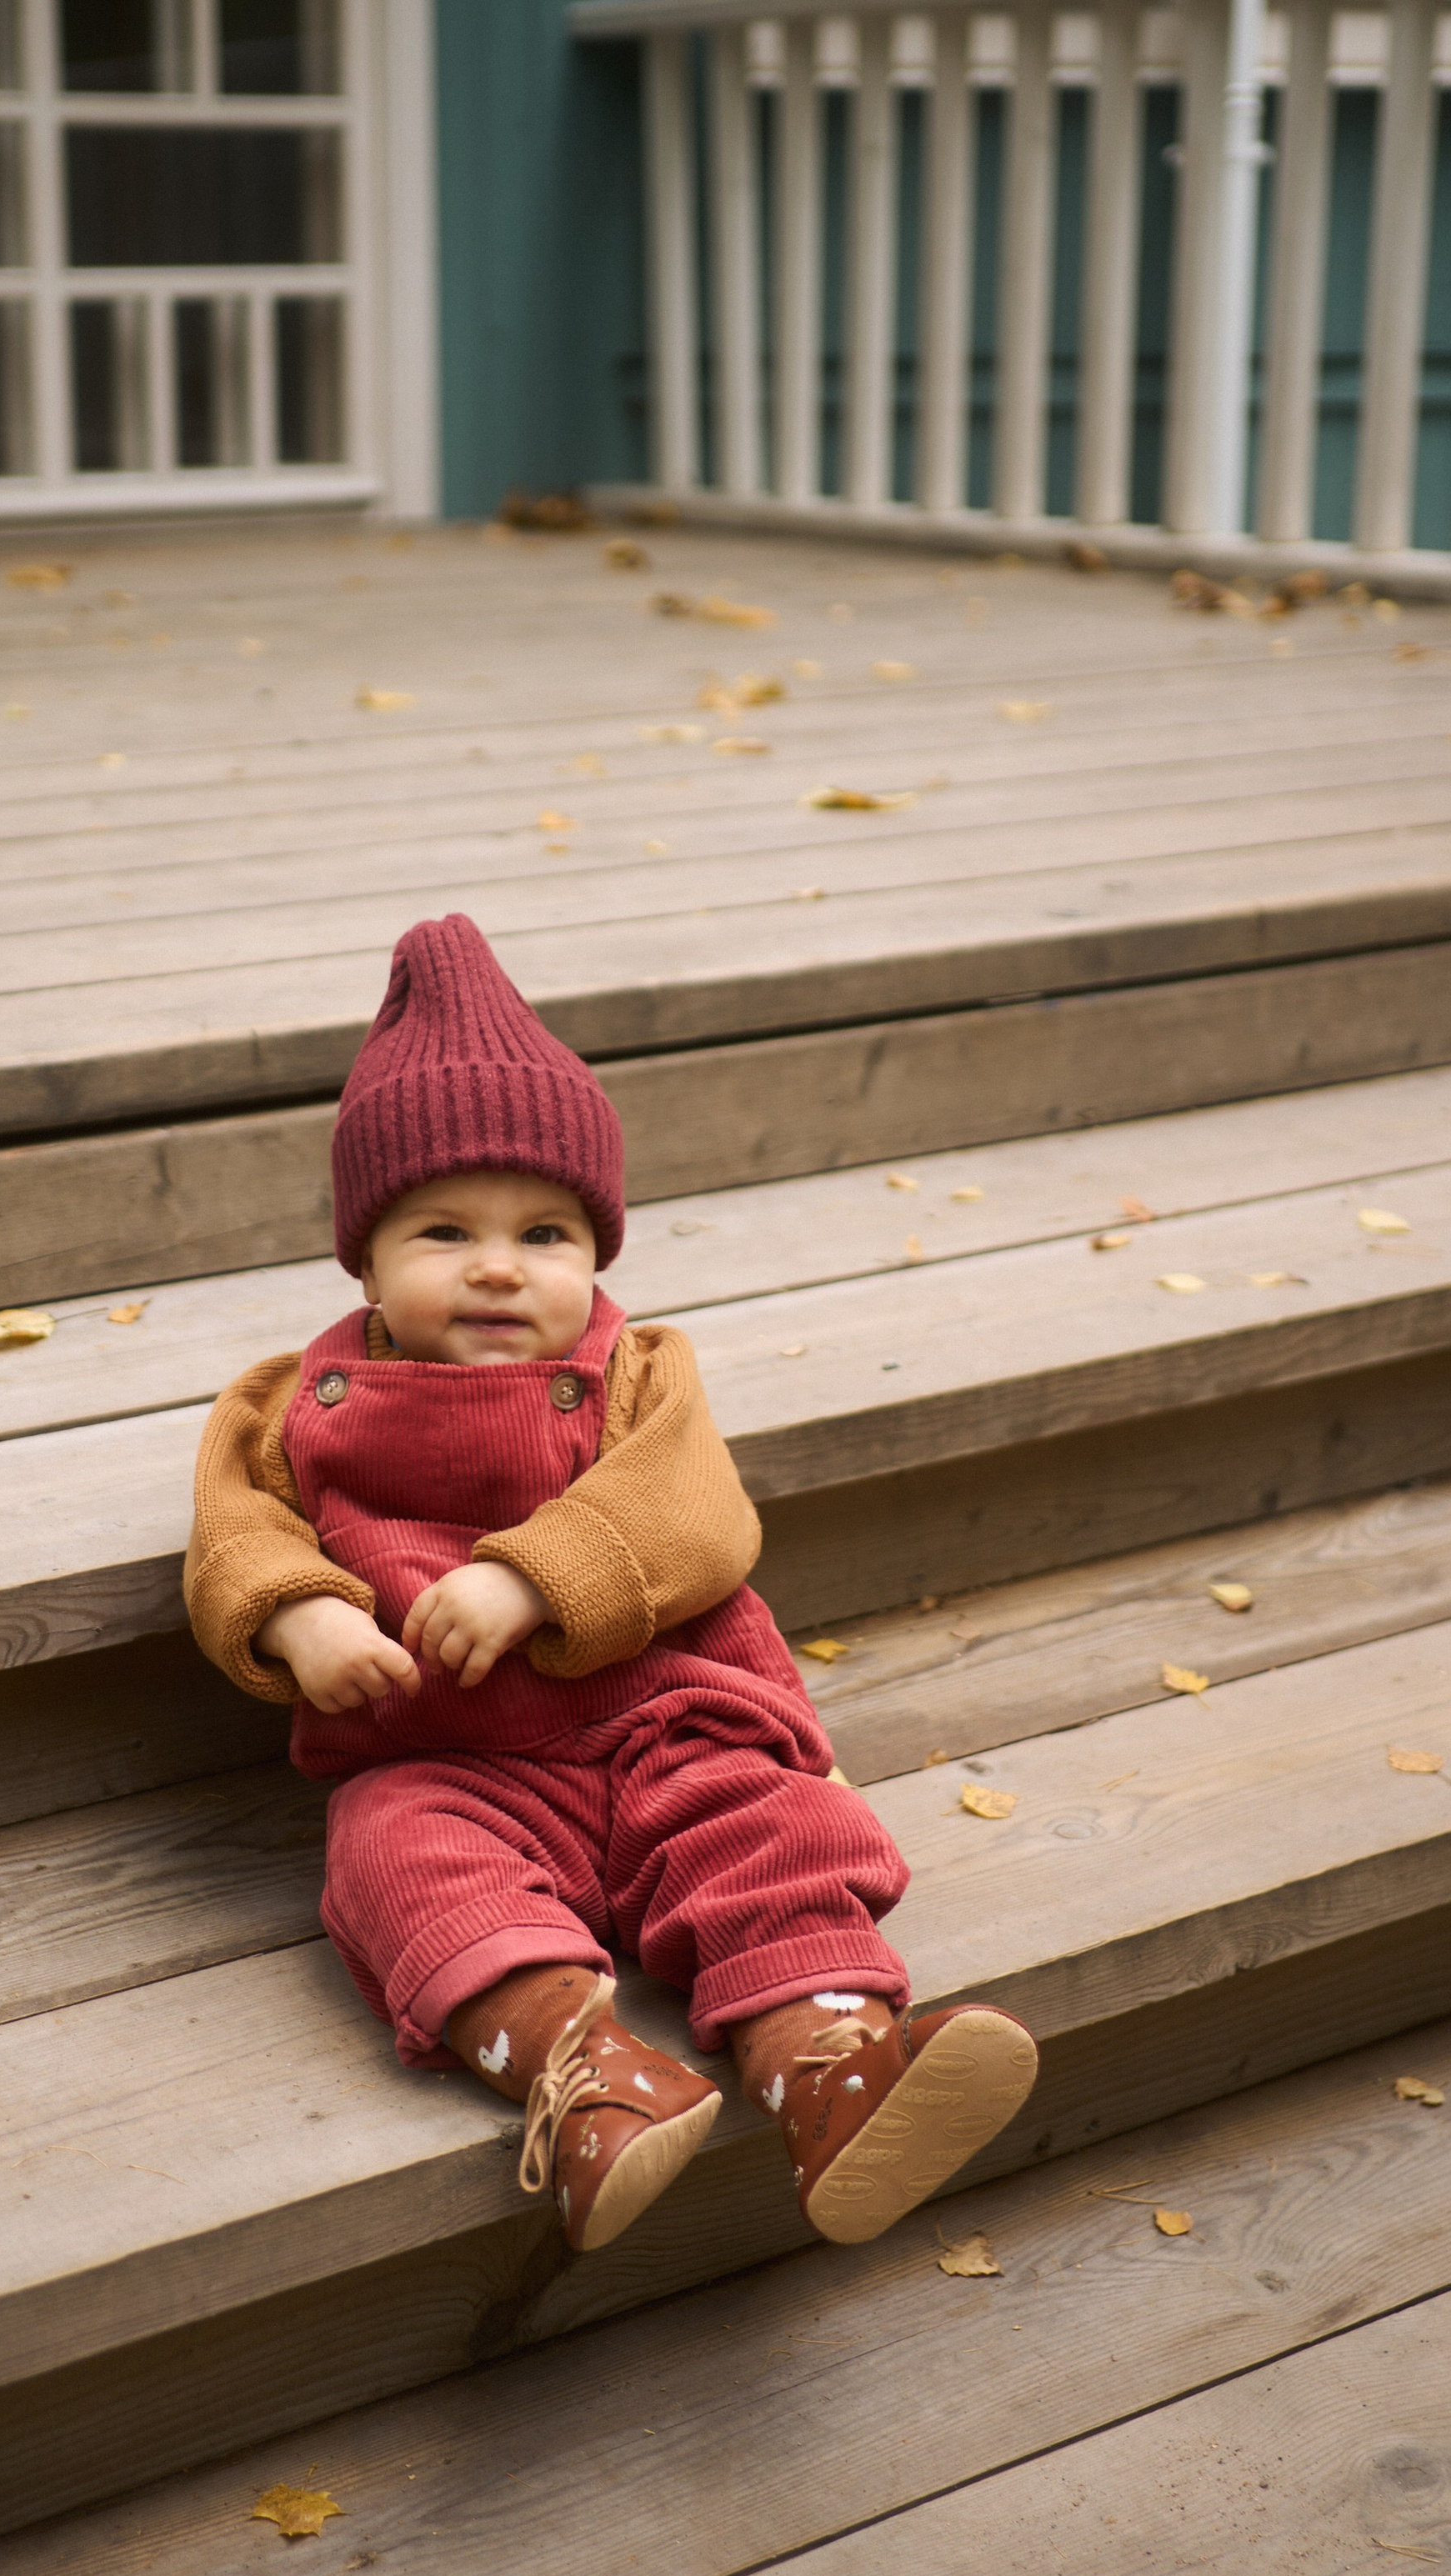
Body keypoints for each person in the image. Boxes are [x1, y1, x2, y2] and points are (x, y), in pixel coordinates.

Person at [185, 913, 1037, 2253]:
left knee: (761, 1820)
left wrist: (536, 1578)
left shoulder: (642, 1374)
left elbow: (689, 1509)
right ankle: (583, 2074)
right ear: (363, 1257)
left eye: (546, 1232)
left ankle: (828, 2067)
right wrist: (303, 1615)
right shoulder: (289, 1406)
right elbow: (235, 1534)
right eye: (442, 1231)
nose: (497, 1266)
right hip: (451, 1755)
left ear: (598, 1252)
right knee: (388, 1852)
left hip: (661, 1716)